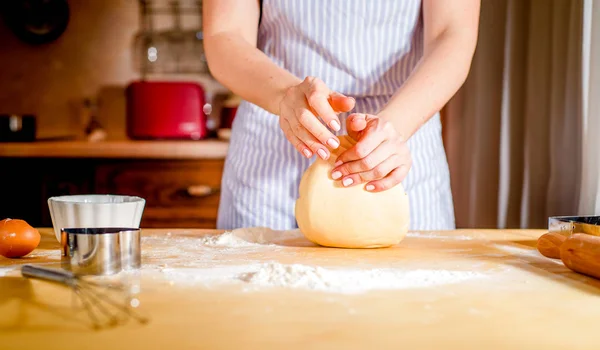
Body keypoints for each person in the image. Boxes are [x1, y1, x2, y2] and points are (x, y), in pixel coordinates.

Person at [204, 0, 480, 231]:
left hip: (401, 135)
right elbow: (224, 33)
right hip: (274, 139)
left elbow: (452, 33)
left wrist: (395, 126)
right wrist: (285, 95)